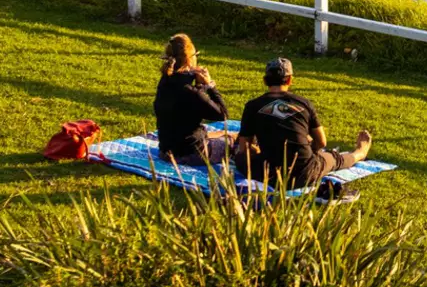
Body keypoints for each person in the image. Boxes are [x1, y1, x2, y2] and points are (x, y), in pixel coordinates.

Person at [233, 57, 372, 189]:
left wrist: (256, 150)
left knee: (239, 158)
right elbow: (322, 142)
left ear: (265, 81)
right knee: (334, 159)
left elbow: (244, 147)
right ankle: (359, 153)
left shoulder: (252, 106)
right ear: (290, 80)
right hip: (305, 173)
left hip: (269, 175)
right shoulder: (303, 103)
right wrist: (312, 151)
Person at [153, 33, 230, 166]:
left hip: (166, 151)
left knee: (221, 134)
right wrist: (210, 86)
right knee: (234, 140)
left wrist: (200, 86)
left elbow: (186, 106)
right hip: (190, 153)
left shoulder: (165, 81)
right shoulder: (190, 92)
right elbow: (222, 114)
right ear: (190, 60)